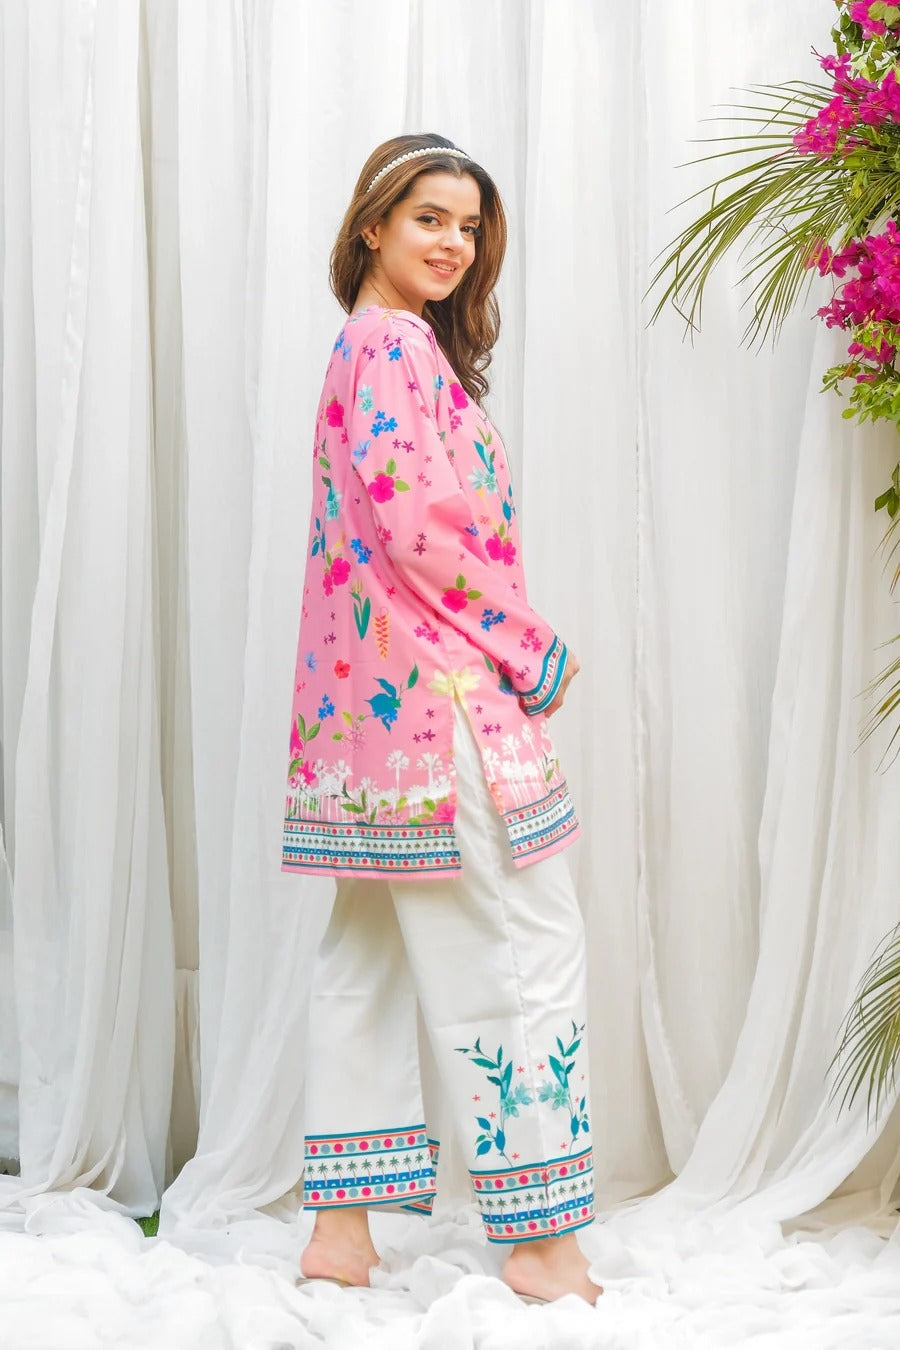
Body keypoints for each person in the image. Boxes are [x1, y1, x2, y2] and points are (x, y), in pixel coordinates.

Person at [282, 132, 601, 1306]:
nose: (453, 244)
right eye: (428, 218)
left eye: (468, 227)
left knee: (364, 962)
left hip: (367, 730)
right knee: (521, 952)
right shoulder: (390, 346)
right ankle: (541, 1241)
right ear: (372, 225)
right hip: (442, 703)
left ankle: (342, 1233)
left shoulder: (368, 350)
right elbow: (423, 529)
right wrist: (531, 646)